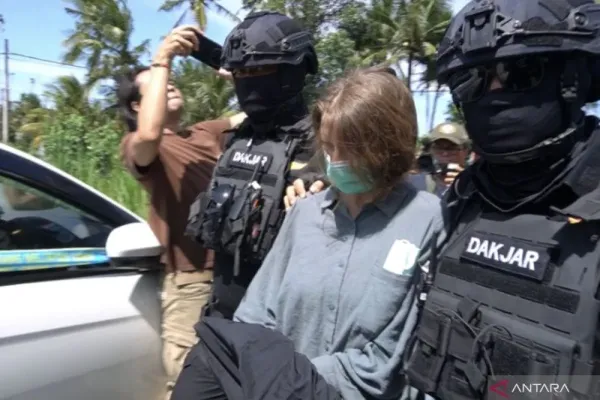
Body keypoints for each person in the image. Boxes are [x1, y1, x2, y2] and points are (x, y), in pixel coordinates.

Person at [173, 67, 443, 400]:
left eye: (350, 150)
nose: (336, 161)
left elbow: (395, 356)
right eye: (329, 147)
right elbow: (255, 317)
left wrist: (288, 382)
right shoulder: (305, 214)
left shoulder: (428, 220)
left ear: (388, 148)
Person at [403, 0, 600, 398]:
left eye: (518, 71)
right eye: (471, 80)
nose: (492, 92)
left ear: (572, 78)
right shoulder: (461, 201)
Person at [116, 25, 246, 400]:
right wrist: (163, 59)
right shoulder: (139, 147)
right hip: (192, 283)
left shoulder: (207, 132)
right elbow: (149, 134)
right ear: (138, 107)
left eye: (172, 80)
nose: (170, 83)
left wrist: (238, 76)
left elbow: (261, 113)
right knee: (191, 383)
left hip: (241, 272)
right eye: (159, 83)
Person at [185, 11, 322, 320]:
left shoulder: (326, 143)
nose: (248, 82)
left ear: (292, 70)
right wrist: (202, 50)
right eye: (241, 74)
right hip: (221, 320)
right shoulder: (239, 137)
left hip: (281, 328)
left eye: (259, 69)